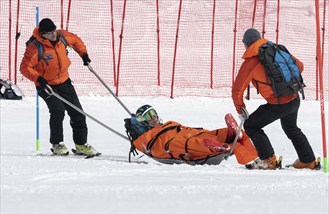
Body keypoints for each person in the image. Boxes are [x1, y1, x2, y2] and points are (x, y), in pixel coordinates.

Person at [232, 28, 319, 170]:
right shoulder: (276, 50)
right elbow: (300, 66)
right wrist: (284, 83)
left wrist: (240, 109)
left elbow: (237, 91)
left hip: (279, 104)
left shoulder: (251, 62)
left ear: (246, 44)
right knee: (291, 128)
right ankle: (308, 161)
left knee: (251, 125)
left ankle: (268, 160)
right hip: (294, 98)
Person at [20, 18, 100, 156]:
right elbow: (25, 67)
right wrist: (38, 78)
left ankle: (81, 144)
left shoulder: (62, 36)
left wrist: (84, 55)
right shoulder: (35, 47)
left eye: (54, 31)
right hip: (46, 85)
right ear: (43, 34)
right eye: (49, 33)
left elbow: (76, 41)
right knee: (58, 111)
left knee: (78, 112)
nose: (53, 34)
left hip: (64, 81)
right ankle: (57, 143)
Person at [125, 104, 258, 165]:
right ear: (142, 121)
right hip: (166, 143)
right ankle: (218, 146)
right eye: (149, 116)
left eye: (154, 113)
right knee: (188, 145)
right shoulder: (144, 138)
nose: (154, 117)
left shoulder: (163, 124)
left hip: (178, 131)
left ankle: (228, 135)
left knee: (201, 134)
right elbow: (149, 145)